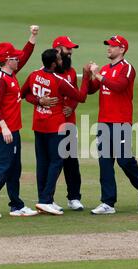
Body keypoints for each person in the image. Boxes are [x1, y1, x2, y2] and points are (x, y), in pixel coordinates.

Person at [0, 25, 40, 219]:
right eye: (14, 57)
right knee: (5, 166)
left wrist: (33, 36)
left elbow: (26, 54)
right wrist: (4, 127)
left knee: (15, 167)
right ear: (6, 60)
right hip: (5, 131)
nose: (17, 58)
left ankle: (16, 205)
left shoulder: (11, 73)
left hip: (13, 130)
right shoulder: (1, 79)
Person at [87, 35, 138, 215]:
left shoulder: (127, 68)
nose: (109, 48)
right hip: (104, 121)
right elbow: (92, 89)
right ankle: (108, 202)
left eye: (112, 46)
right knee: (105, 162)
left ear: (122, 49)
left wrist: (98, 75)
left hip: (121, 121)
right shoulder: (105, 68)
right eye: (108, 46)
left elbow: (119, 86)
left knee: (124, 161)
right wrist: (89, 75)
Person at [21, 49, 90, 215]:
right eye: (59, 58)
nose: (62, 60)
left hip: (39, 124)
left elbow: (23, 94)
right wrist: (86, 76)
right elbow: (81, 97)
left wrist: (38, 101)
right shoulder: (58, 80)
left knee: (43, 162)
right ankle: (45, 200)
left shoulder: (33, 75)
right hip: (55, 127)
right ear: (53, 63)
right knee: (57, 161)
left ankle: (44, 200)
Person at [52, 36, 84, 211]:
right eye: (67, 48)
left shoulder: (71, 72)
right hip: (52, 125)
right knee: (54, 162)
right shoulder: (48, 71)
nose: (70, 52)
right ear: (57, 50)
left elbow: (76, 95)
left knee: (71, 162)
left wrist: (71, 107)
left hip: (69, 123)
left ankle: (74, 197)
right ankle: (47, 197)